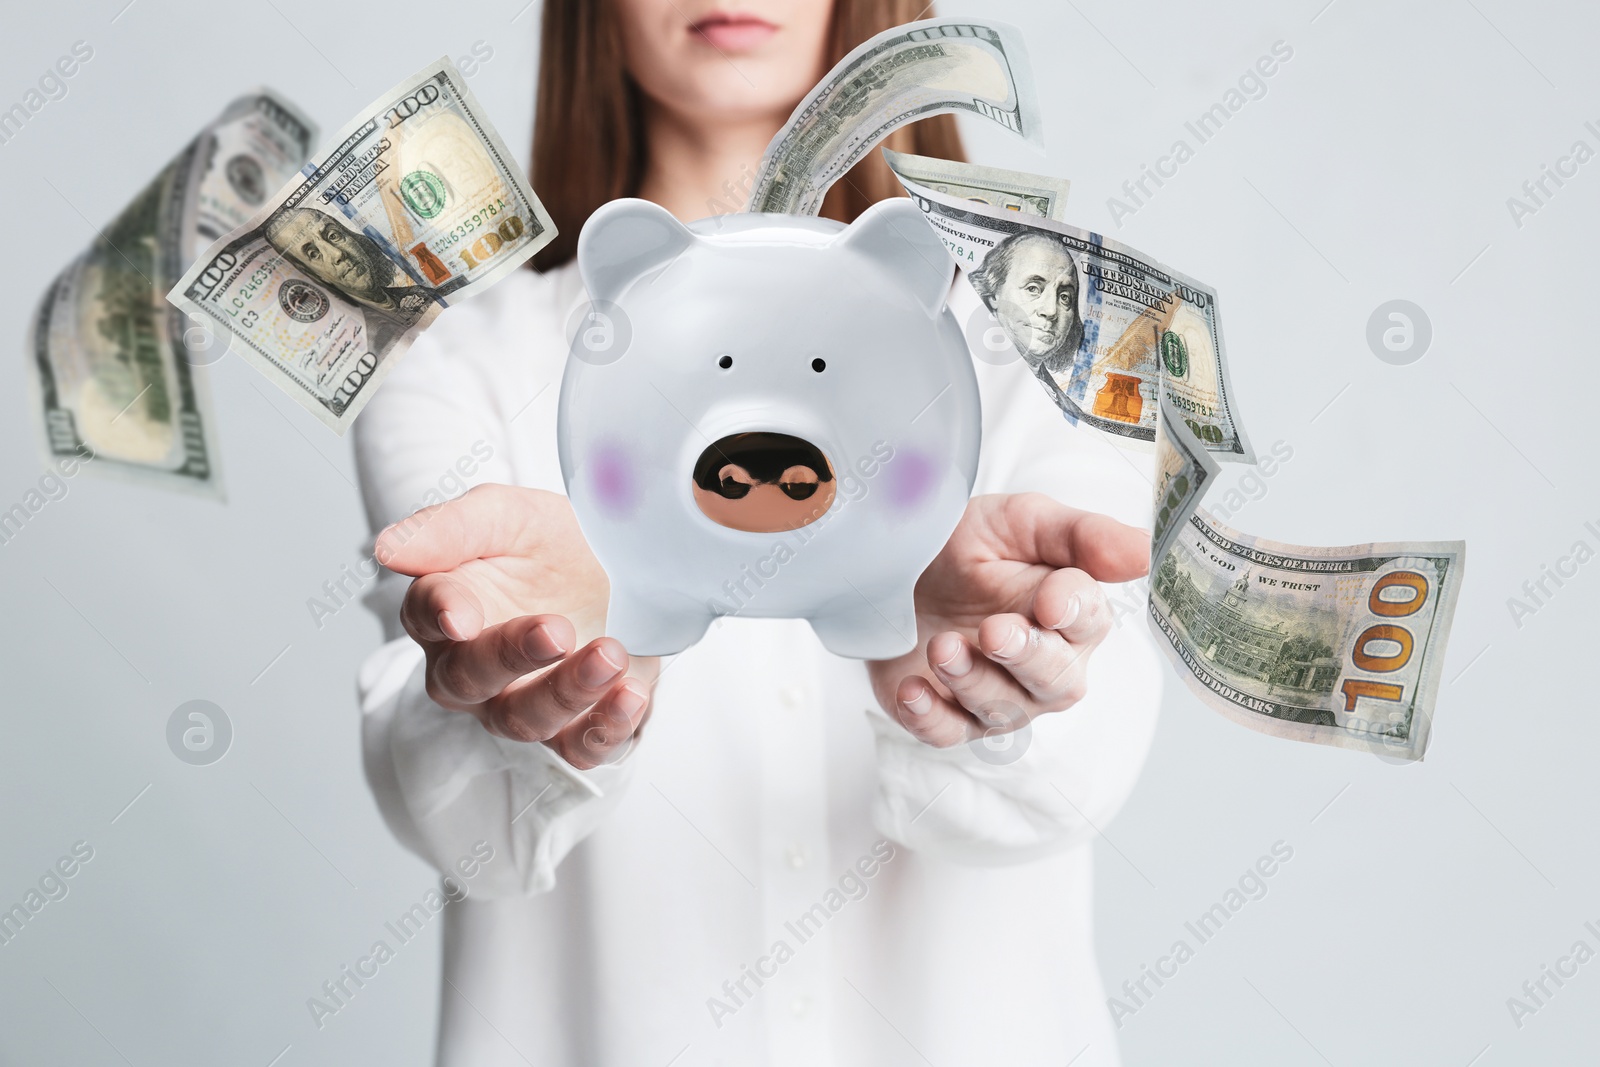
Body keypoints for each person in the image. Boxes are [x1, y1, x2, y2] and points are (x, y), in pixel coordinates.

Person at [353, 1, 1161, 1064]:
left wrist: (993, 689)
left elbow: (1075, 779)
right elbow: (462, 829)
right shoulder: (455, 366)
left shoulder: (1052, 356)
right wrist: (531, 698)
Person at [264, 205, 439, 349]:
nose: (338, 253)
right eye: (314, 253)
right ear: (310, 274)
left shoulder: (420, 293)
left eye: (333, 235)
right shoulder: (363, 342)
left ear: (351, 236)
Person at [969, 230, 1085, 377]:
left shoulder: (1062, 399)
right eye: (1033, 288)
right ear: (993, 294)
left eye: (1064, 297)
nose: (1051, 311)